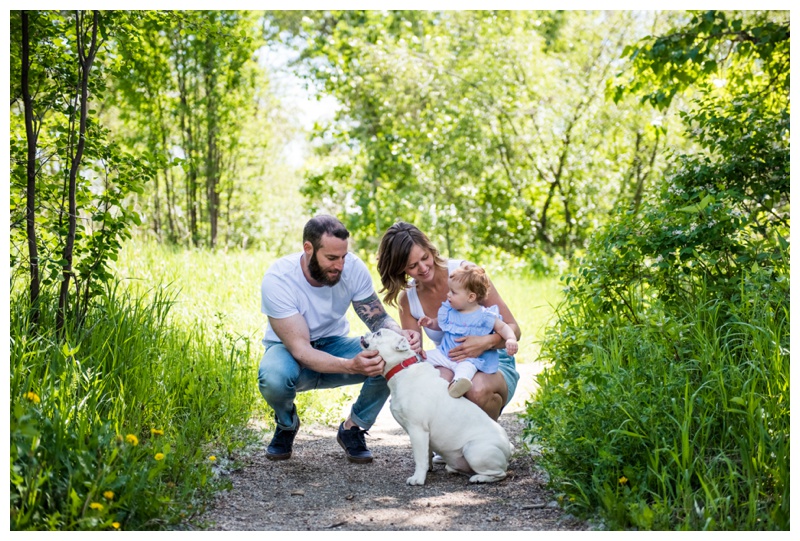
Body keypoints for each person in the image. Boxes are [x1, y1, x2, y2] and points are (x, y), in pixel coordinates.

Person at [258, 215, 421, 463]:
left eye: (343, 256)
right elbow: (301, 350)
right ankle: (286, 424)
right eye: (332, 258)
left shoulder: (353, 268)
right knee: (273, 377)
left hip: (333, 343)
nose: (340, 265)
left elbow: (377, 319)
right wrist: (350, 365)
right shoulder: (279, 279)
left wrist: (398, 333)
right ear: (308, 249)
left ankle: (353, 428)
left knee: (390, 357)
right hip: (290, 352)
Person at [377, 221, 521, 421]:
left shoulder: (466, 274)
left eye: (425, 258)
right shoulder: (409, 300)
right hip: (450, 358)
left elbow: (514, 329)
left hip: (491, 360)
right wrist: (412, 345)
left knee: (476, 390)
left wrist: (485, 342)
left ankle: (485, 444)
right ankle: (449, 447)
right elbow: (414, 355)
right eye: (412, 266)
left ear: (430, 248)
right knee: (437, 386)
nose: (424, 268)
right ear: (401, 268)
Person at [417, 264, 519, 398]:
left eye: (453, 292)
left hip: (469, 359)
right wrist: (430, 323)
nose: (448, 295)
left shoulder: (484, 316)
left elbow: (503, 327)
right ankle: (410, 382)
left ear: (471, 297)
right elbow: (440, 324)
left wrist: (510, 338)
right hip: (444, 353)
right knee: (420, 358)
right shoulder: (449, 310)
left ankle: (457, 385)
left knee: (465, 371)